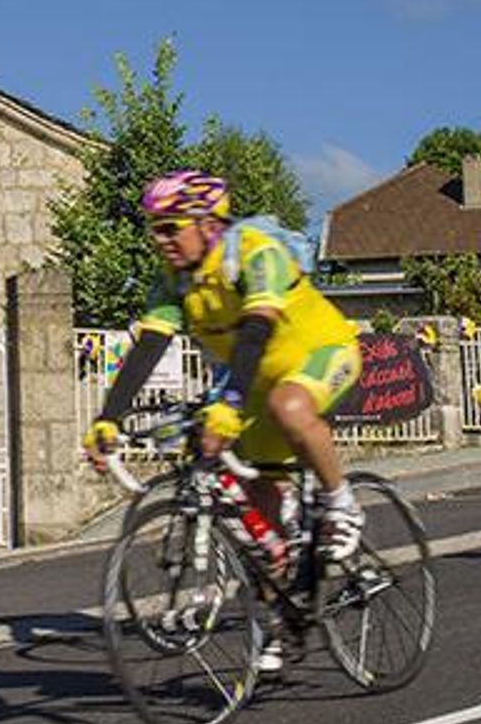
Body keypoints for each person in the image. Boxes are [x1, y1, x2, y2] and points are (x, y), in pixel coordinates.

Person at [79, 169, 365, 669]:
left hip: (321, 352)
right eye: (155, 228)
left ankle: (342, 504)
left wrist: (227, 404)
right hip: (256, 383)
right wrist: (109, 420)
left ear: (209, 224)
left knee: (290, 407)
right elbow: (148, 349)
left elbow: (256, 332)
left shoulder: (253, 252)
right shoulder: (174, 282)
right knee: (259, 517)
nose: (160, 239)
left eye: (171, 227)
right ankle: (279, 621)